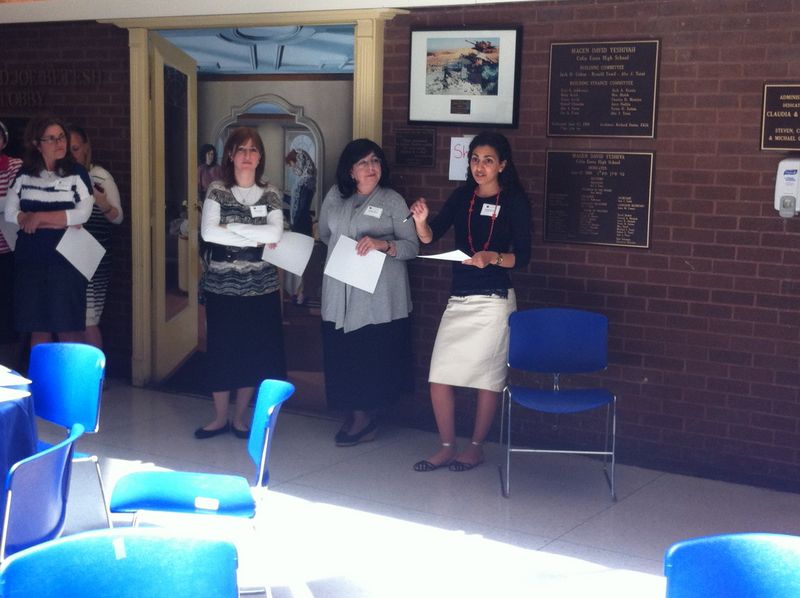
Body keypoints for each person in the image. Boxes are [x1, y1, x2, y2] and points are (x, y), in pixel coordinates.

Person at [409, 131, 531, 472]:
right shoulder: (463, 196)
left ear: (502, 165)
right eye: (475, 159)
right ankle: (447, 447)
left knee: (486, 380)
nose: (480, 167)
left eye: (488, 161)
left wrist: (492, 257)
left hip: (494, 301)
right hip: (460, 298)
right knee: (439, 376)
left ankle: (475, 448)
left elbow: (523, 257)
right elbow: (431, 236)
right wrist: (420, 222)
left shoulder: (515, 201)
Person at [318, 138, 419, 447]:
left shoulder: (393, 200)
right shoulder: (335, 196)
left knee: (368, 356)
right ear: (350, 170)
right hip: (340, 292)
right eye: (363, 162)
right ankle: (353, 412)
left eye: (375, 160)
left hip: (377, 298)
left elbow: (412, 247)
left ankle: (365, 418)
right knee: (344, 354)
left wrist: (382, 244)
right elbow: (324, 233)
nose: (371, 167)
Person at [196, 127, 286, 439]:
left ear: (260, 157)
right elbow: (208, 232)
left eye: (253, 150)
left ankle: (239, 418)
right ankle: (220, 417)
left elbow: (275, 233)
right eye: (241, 149)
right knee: (222, 350)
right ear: (231, 155)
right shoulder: (217, 190)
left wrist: (231, 227)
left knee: (252, 352)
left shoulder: (271, 193)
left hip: (261, 288)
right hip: (221, 286)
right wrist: (255, 236)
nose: (247, 155)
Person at [4, 115, 94, 349]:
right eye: (51, 139)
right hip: (31, 259)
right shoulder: (24, 174)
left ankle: (71, 374)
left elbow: (83, 214)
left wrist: (39, 218)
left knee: (67, 327)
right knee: (38, 327)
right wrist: (52, 220)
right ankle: (40, 374)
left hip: (66, 259)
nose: (59, 143)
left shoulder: (77, 173)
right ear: (37, 144)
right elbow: (10, 212)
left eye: (61, 137)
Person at [68, 125, 124, 351]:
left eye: (75, 149)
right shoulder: (62, 178)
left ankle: (96, 371)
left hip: (93, 258)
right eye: (67, 150)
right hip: (67, 257)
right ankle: (78, 370)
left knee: (88, 319)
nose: (71, 154)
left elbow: (118, 218)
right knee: (71, 319)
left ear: (86, 148)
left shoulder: (99, 176)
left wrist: (103, 204)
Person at [0, 120, 23, 364]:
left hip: (8, 249)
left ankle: (8, 363)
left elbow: (13, 202)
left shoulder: (15, 166)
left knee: (7, 306)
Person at [283, 148, 317, 305]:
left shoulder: (306, 181)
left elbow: (301, 207)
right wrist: (282, 195)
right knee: (300, 260)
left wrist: (293, 225)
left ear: (299, 162)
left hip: (301, 225)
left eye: (292, 164)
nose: (292, 169)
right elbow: (296, 203)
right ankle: (299, 292)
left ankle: (301, 293)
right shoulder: (305, 179)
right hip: (301, 223)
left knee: (300, 261)